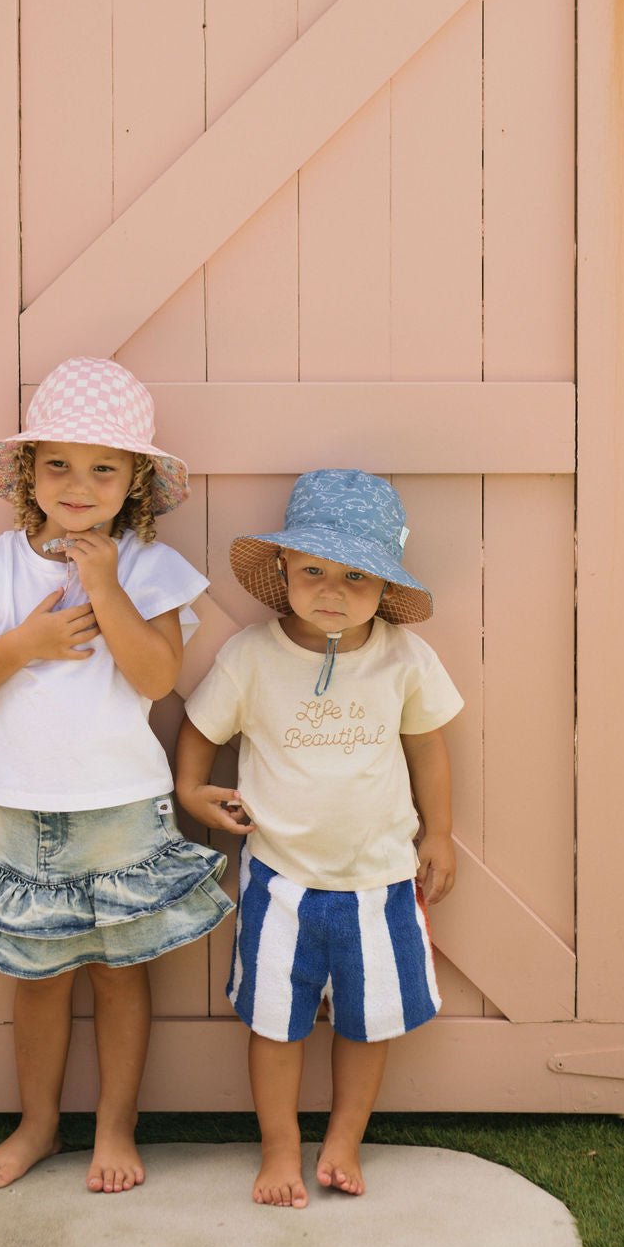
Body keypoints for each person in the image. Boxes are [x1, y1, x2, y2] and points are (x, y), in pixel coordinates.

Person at [0, 356, 233, 1195]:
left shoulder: (146, 566)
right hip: (23, 809)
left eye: (103, 468)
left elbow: (156, 677)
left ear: (133, 482)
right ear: (27, 471)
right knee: (37, 978)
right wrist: (23, 644)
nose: (78, 484)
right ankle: (38, 1124)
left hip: (121, 809)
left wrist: (104, 585)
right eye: (58, 463)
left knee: (119, 973)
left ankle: (114, 1125)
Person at [175, 469, 463, 1209]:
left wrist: (440, 832)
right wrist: (191, 790)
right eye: (313, 571)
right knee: (276, 1023)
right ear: (283, 568)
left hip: (381, 879)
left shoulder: (402, 657)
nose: (332, 590)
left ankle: (343, 1140)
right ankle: (279, 1147)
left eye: (355, 575)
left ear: (385, 583)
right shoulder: (251, 655)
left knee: (368, 1024)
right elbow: (201, 728)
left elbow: (428, 748)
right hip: (280, 881)